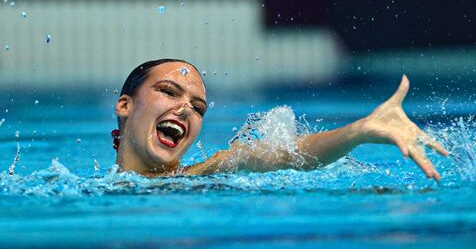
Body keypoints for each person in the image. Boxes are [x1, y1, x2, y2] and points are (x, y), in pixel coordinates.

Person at [113, 59, 449, 180]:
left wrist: (358, 131)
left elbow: (286, 155)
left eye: (198, 107)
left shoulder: (206, 174)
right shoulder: (65, 183)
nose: (186, 108)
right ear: (125, 105)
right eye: (169, 91)